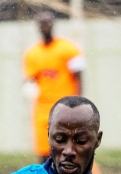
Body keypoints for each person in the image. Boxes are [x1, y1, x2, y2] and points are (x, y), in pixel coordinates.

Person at [23, 12, 86, 161]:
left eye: (47, 23)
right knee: (44, 150)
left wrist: (78, 103)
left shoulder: (69, 48)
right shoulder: (32, 53)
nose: (45, 26)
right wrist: (28, 86)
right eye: (41, 23)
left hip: (65, 106)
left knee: (67, 148)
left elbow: (79, 77)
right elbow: (30, 79)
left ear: (53, 24)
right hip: (42, 108)